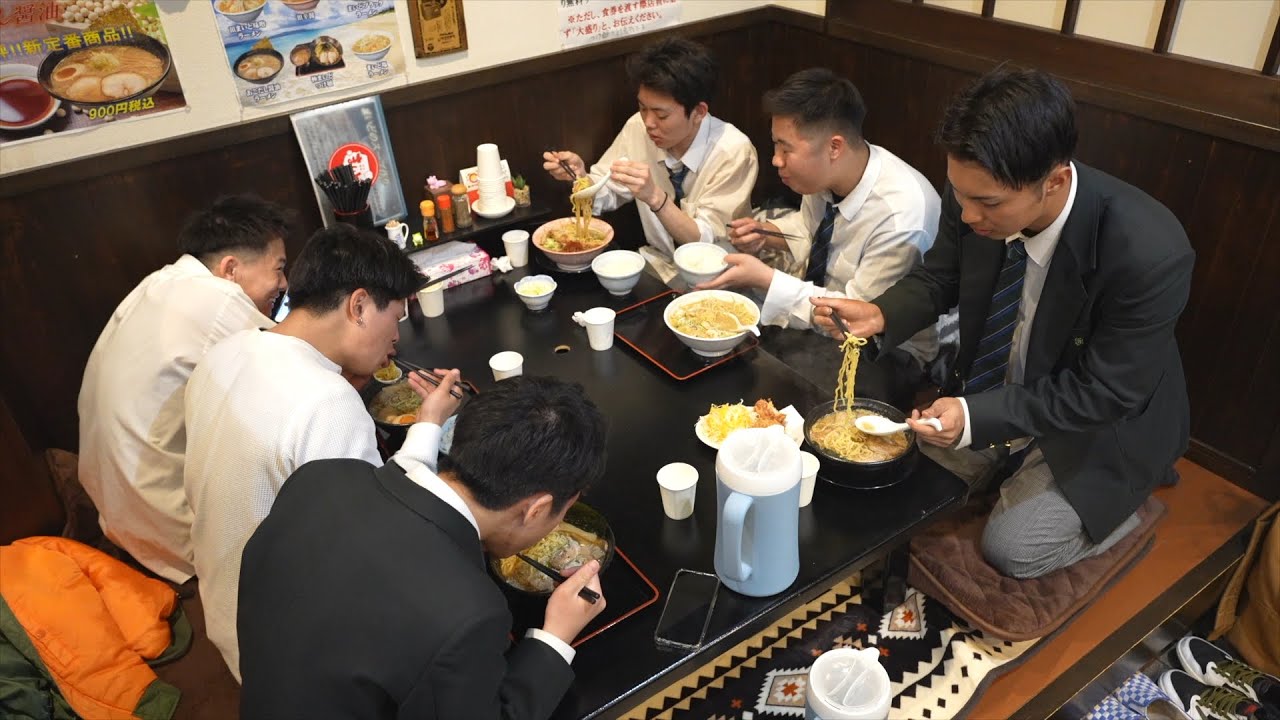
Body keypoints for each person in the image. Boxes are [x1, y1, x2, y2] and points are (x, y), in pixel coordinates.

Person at [813, 67, 1194, 579]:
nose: (968, 215)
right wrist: (882, 313)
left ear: (1054, 181)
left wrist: (976, 417)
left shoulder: (1149, 251)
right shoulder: (975, 188)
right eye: (960, 195)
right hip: (1002, 386)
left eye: (987, 203)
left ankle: (1126, 505)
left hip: (1099, 421)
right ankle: (1007, 457)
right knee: (899, 480)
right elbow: (941, 276)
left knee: (1013, 548)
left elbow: (1105, 392)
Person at [238, 376, 609, 719]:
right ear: (536, 509)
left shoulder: (321, 477)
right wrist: (555, 636)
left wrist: (427, 425)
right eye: (563, 511)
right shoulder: (469, 616)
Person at [183, 224, 458, 681]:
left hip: (223, 604)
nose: (395, 338)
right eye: (395, 317)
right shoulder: (327, 403)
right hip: (285, 651)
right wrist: (429, 423)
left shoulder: (226, 351)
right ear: (359, 305)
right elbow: (382, 538)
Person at [77, 194, 290, 584]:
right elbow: (295, 367)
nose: (283, 284)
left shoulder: (161, 281)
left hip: (113, 507)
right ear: (231, 269)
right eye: (278, 269)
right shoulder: (220, 300)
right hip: (167, 524)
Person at [701, 68, 943, 375]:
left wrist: (766, 279)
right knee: (722, 334)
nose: (776, 160)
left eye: (786, 148)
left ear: (834, 147)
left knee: (759, 370)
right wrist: (768, 234)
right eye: (775, 145)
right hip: (820, 315)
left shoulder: (900, 218)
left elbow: (855, 317)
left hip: (886, 348)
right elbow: (811, 231)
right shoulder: (826, 176)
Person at [543, 36, 758, 283]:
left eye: (661, 115)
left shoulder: (733, 151)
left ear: (699, 112)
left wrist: (655, 197)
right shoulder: (638, 127)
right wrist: (580, 178)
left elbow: (703, 240)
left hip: (720, 272)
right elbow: (606, 190)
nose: (648, 123)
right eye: (643, 108)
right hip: (661, 264)